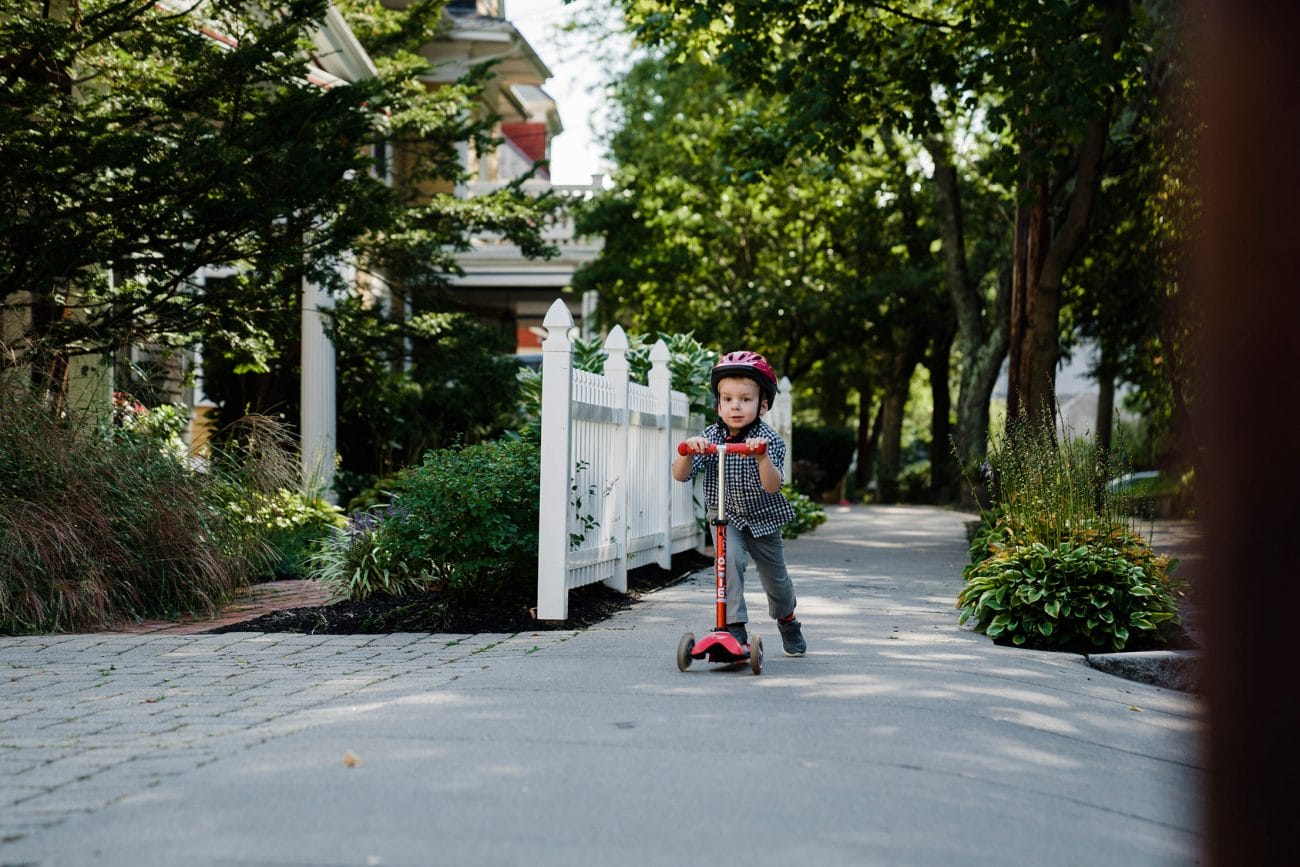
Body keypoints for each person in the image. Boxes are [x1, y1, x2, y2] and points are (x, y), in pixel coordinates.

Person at [671, 350, 806, 656]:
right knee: (729, 562)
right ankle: (733, 627)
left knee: (777, 583)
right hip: (726, 516)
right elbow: (680, 476)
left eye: (745, 399)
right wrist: (687, 452)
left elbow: (772, 486)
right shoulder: (711, 435)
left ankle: (788, 619)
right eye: (728, 399)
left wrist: (760, 457)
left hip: (764, 519)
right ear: (718, 404)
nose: (735, 406)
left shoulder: (770, 439)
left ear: (764, 404)